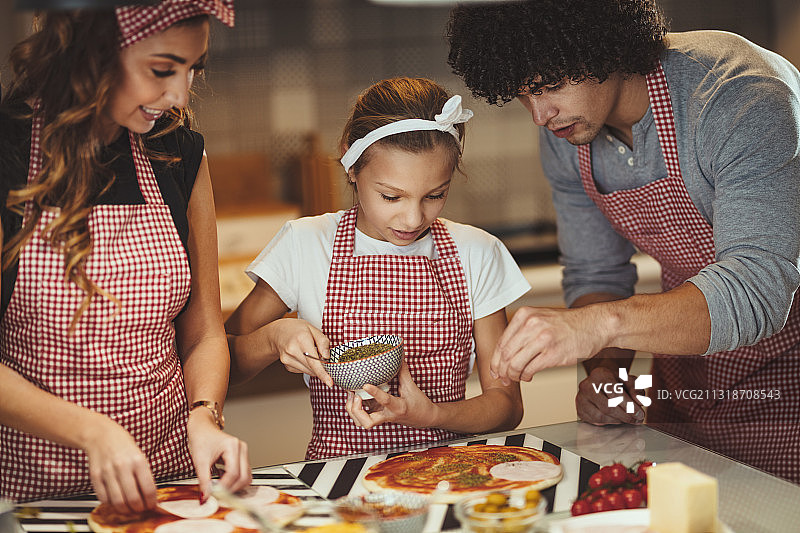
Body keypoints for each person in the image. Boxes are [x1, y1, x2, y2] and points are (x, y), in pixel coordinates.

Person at [447, 0, 800, 483]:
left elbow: (757, 288)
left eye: (549, 86)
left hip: (789, 369)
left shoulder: (738, 96)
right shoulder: (566, 130)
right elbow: (597, 274)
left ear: (604, 43)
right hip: (686, 365)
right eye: (522, 95)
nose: (539, 115)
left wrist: (596, 326)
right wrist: (605, 372)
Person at [0, 1, 252, 509]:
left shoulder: (177, 151)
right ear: (90, 54)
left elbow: (204, 330)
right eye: (162, 70)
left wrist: (205, 414)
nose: (180, 94)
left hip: (172, 484)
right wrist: (95, 433)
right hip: (38, 496)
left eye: (192, 69)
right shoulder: (7, 152)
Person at [226, 77, 529, 460]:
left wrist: (432, 415)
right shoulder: (305, 244)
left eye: (435, 195)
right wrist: (273, 338)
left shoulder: (477, 252)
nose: (413, 217)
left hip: (448, 472)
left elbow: (506, 406)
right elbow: (224, 368)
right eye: (391, 196)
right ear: (351, 164)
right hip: (338, 476)